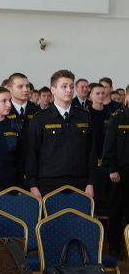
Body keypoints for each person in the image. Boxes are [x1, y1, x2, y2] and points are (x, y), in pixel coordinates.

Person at [25, 70, 96, 198]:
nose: (69, 90)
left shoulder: (85, 116)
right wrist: (33, 185)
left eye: (71, 86)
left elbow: (91, 152)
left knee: (79, 218)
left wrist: (91, 182)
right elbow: (32, 155)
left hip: (80, 182)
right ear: (53, 90)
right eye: (64, 86)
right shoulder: (40, 119)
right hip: (49, 183)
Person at [102, 106, 129, 260]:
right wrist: (112, 169)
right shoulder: (118, 117)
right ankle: (115, 250)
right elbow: (109, 145)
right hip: (121, 172)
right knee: (117, 212)